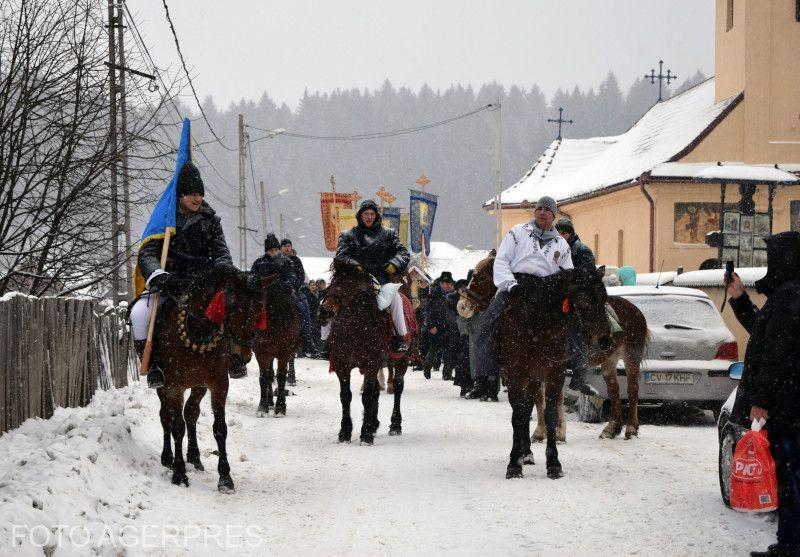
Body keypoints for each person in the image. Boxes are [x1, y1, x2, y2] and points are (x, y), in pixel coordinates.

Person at [130, 162, 237, 389]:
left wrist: (222, 269)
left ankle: (235, 357)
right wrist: (158, 275)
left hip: (204, 284)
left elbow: (222, 253)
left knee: (233, 306)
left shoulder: (211, 221)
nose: (197, 199)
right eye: (192, 194)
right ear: (180, 195)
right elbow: (147, 252)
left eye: (200, 194)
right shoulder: (163, 220)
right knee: (139, 314)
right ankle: (153, 364)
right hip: (170, 284)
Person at [726, 232, 800, 557]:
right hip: (789, 403)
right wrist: (739, 297)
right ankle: (789, 541)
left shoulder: (789, 296)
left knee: (791, 478)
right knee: (789, 477)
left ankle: (791, 544)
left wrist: (762, 401)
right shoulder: (788, 294)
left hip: (788, 408)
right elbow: (763, 332)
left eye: (773, 257)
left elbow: (776, 353)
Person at [473, 196, 573, 395]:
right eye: (539, 209)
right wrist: (511, 285)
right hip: (516, 285)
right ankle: (489, 369)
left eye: (547, 210)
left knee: (572, 321)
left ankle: (575, 367)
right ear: (535, 212)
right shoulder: (517, 232)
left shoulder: (562, 244)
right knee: (487, 323)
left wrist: (559, 292)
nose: (542, 212)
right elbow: (501, 261)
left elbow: (567, 272)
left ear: (553, 215)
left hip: (546, 289)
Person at [335, 199, 411, 352]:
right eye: (366, 214)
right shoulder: (348, 235)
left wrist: (394, 264)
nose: (369, 217)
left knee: (396, 300)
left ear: (376, 216)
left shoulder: (389, 234)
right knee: (330, 300)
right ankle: (330, 339)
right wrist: (353, 264)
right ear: (360, 216)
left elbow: (403, 253)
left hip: (383, 282)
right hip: (355, 282)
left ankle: (401, 337)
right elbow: (340, 255)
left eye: (372, 214)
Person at [554, 217, 599, 396]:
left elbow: (587, 277)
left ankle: (580, 375)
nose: (559, 236)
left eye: (562, 233)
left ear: (568, 233)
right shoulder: (554, 249)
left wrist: (569, 286)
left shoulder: (582, 251)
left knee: (576, 329)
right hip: (555, 296)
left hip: (577, 297)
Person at [424, 272, 459, 380]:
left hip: (450, 327)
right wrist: (431, 326)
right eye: (445, 283)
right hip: (437, 327)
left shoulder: (454, 296)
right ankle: (427, 368)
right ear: (441, 284)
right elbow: (428, 312)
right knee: (433, 350)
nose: (447, 285)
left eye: (449, 283)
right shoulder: (434, 296)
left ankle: (447, 374)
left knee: (449, 351)